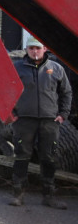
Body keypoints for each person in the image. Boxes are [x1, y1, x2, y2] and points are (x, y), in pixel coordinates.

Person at [9, 38, 72, 209]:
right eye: (31, 48)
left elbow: (66, 93)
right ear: (26, 49)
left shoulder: (57, 69)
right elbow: (8, 89)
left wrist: (63, 114)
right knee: (22, 155)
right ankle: (18, 194)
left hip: (49, 120)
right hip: (24, 120)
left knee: (48, 157)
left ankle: (49, 196)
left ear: (44, 49)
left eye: (37, 48)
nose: (34, 51)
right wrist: (11, 112)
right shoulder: (16, 68)